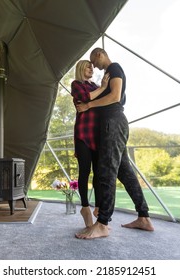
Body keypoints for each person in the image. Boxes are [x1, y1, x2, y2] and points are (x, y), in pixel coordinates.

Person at [75, 48, 154, 239]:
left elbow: (115, 97)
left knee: (106, 171)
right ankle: (143, 216)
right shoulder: (104, 78)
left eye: (94, 61)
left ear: (100, 54)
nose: (94, 66)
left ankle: (102, 223)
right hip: (110, 125)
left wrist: (89, 105)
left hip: (114, 123)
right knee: (125, 172)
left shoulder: (115, 68)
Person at [70, 60, 109, 228]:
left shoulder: (94, 86)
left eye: (92, 67)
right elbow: (85, 98)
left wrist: (99, 91)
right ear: (81, 69)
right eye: (88, 67)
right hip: (83, 134)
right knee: (84, 171)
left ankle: (98, 208)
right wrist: (101, 88)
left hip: (97, 135)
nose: (91, 69)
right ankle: (85, 207)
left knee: (99, 173)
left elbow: (102, 101)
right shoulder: (76, 84)